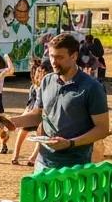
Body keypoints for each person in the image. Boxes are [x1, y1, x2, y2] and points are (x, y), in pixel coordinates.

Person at [9, 32, 109, 172]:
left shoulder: (92, 87)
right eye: (51, 56)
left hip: (75, 167)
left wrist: (70, 143)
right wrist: (10, 121)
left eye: (59, 57)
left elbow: (102, 129)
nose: (53, 62)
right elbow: (37, 115)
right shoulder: (46, 81)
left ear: (74, 56)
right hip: (43, 164)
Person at [11, 62, 45, 166]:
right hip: (32, 111)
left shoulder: (46, 86)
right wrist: (24, 115)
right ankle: (15, 154)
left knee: (41, 136)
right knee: (22, 132)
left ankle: (33, 157)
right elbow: (30, 103)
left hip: (42, 114)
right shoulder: (33, 87)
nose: (39, 74)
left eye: (41, 72)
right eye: (37, 72)